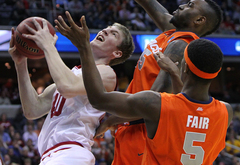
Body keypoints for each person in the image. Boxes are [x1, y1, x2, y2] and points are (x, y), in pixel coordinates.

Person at [71, 0, 223, 164]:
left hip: (142, 132)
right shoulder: (172, 32)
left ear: (199, 21)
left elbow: (157, 97)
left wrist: (110, 120)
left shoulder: (181, 45)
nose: (181, 5)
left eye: (190, 6)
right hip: (130, 128)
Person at [68, 16, 233, 164]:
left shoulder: (160, 104)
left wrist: (84, 48)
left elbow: (98, 98)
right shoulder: (226, 112)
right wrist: (175, 76)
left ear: (185, 69)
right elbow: (190, 109)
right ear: (216, 74)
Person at [8, 15, 134, 165]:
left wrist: (48, 46)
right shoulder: (72, 74)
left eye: (114, 34)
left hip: (72, 151)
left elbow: (67, 87)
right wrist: (21, 64)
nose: (105, 31)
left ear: (117, 53)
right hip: (50, 155)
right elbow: (32, 110)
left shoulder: (107, 74)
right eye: (106, 29)